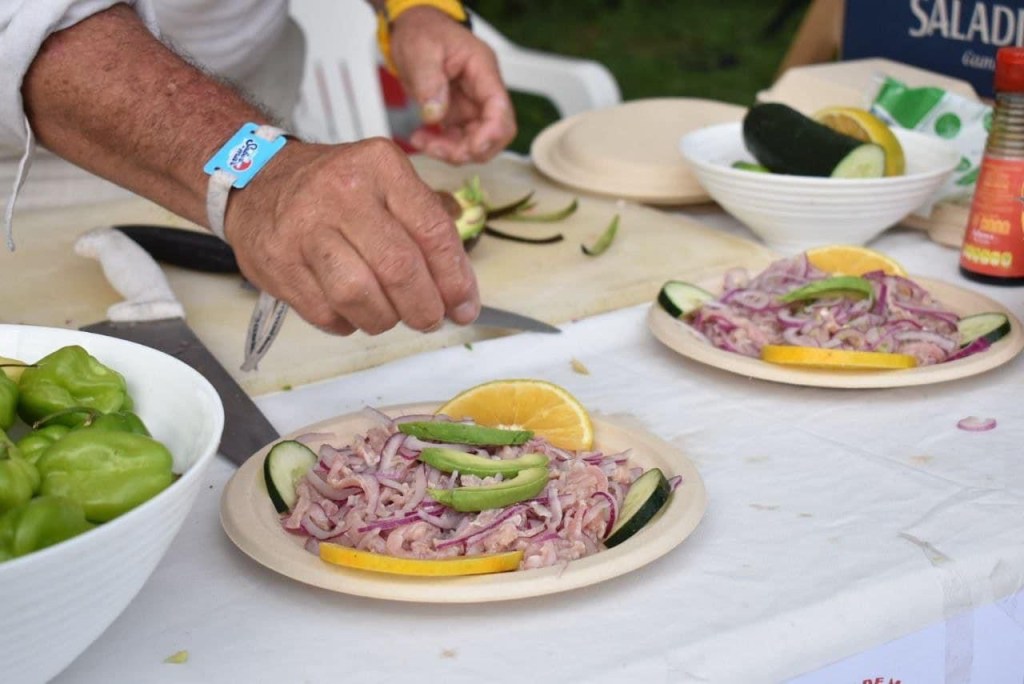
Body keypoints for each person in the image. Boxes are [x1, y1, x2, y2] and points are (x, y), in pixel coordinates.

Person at [0, 0, 517, 337]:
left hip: (264, 139)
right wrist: (262, 172)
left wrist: (415, 10)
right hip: (29, 191)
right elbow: (24, 24)